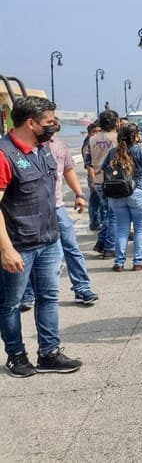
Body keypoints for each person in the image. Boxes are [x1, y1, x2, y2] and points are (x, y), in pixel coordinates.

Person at [0, 96, 82, 377]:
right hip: (18, 244)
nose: (54, 126)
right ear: (31, 123)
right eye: (48, 122)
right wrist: (6, 249)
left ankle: (49, 353)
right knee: (10, 304)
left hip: (48, 240)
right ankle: (16, 355)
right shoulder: (4, 154)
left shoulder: (44, 149)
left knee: (48, 297)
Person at [21, 118, 98, 309]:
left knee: (71, 247)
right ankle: (28, 293)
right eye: (48, 121)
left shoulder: (59, 145)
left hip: (57, 206)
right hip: (31, 210)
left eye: (53, 122)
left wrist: (79, 194)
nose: (51, 125)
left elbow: (69, 170)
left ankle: (82, 287)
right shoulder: (26, 148)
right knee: (31, 252)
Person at [103, 123, 142, 271]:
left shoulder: (112, 152)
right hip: (138, 191)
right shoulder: (140, 151)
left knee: (122, 228)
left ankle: (119, 262)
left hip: (117, 193)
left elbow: (104, 168)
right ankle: (138, 261)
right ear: (136, 136)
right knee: (140, 229)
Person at [88, 110, 120, 257]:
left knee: (107, 212)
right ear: (116, 122)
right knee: (113, 215)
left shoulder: (92, 139)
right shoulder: (118, 139)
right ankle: (109, 247)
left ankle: (101, 241)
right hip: (114, 179)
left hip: (98, 179)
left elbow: (88, 161)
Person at [82, 121, 102, 231]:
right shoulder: (87, 145)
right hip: (93, 176)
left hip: (100, 176)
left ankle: (98, 222)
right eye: (95, 131)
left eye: (99, 131)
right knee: (95, 201)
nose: (97, 133)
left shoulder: (97, 143)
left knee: (99, 202)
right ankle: (94, 223)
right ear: (90, 133)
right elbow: (89, 165)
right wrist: (93, 180)